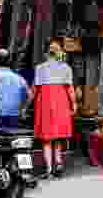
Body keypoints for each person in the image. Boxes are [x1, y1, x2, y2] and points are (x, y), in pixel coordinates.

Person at [32, 40, 76, 178]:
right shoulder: (66, 68)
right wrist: (74, 104)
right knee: (57, 137)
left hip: (45, 101)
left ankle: (49, 169)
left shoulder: (40, 68)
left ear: (46, 53)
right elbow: (70, 88)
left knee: (46, 139)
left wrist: (25, 105)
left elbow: (34, 89)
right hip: (61, 101)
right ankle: (58, 162)